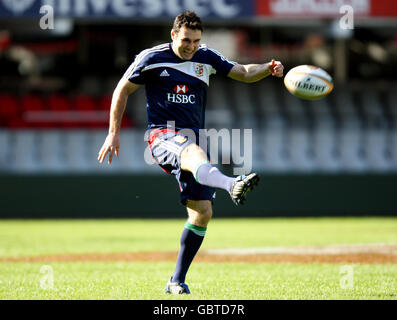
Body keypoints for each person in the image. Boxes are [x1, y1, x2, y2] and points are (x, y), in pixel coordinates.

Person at [98, 11, 284, 295]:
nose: (191, 46)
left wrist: (267, 68)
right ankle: (231, 184)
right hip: (161, 135)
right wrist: (113, 132)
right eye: (186, 40)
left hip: (193, 139)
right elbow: (122, 90)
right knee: (194, 150)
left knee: (202, 212)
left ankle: (175, 281)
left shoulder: (207, 57)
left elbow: (243, 73)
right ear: (174, 35)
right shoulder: (152, 58)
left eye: (196, 41)